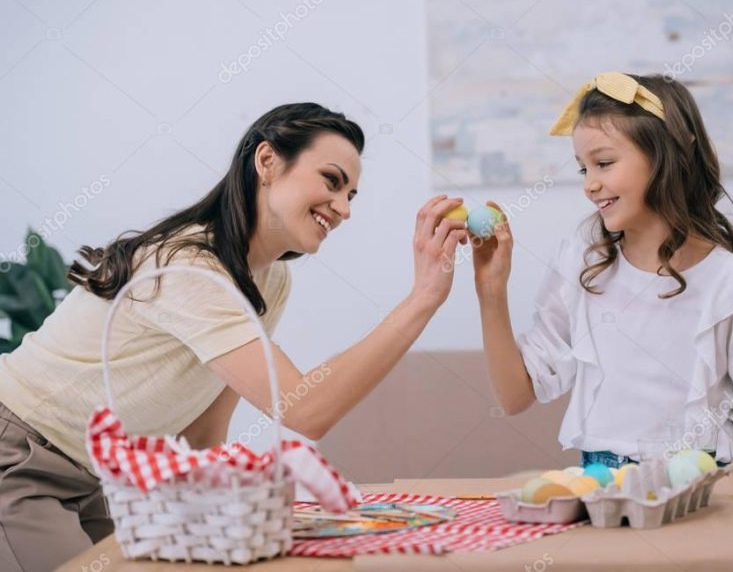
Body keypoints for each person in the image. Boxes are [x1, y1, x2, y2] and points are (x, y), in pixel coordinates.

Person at [0, 102, 469, 571]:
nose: (343, 208)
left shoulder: (269, 280)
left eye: (351, 194)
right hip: (20, 456)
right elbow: (306, 410)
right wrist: (423, 297)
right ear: (266, 162)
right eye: (331, 180)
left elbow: (203, 430)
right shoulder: (188, 267)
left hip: (93, 478)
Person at [470, 72, 733, 470]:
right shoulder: (580, 269)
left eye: (603, 163)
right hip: (602, 487)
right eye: (583, 169)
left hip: (706, 490)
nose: (590, 185)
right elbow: (514, 397)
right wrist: (491, 291)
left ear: (668, 156)